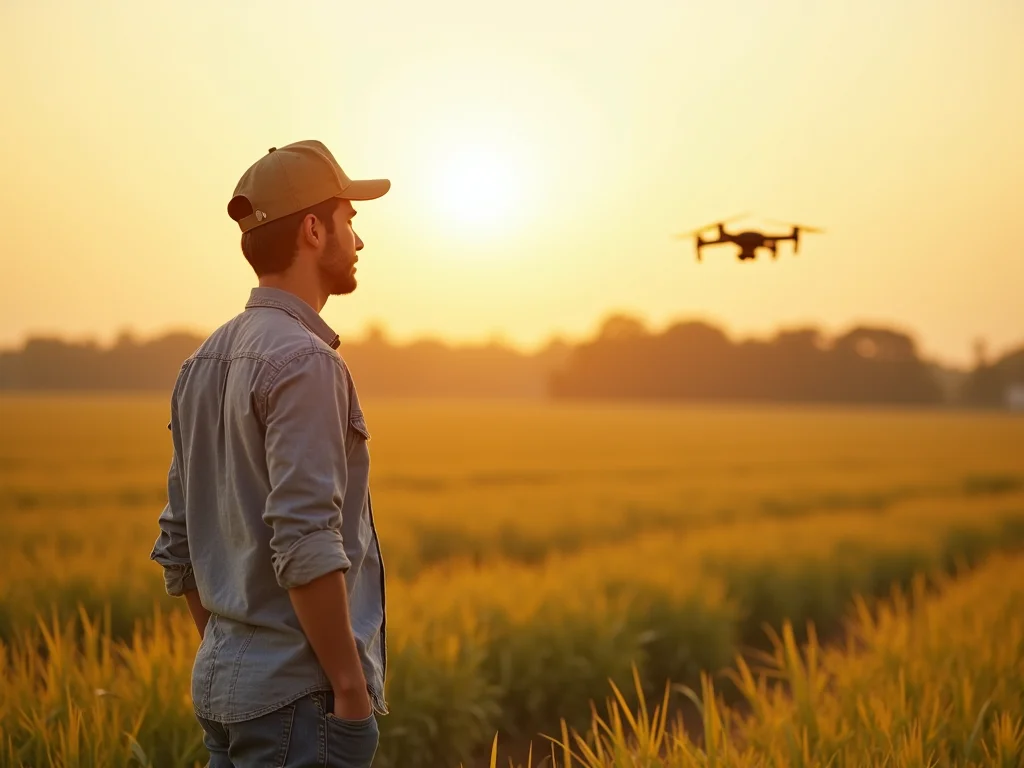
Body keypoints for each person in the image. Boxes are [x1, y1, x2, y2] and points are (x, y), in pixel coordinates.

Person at [150, 139, 391, 768]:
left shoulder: (200, 363)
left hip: (223, 693)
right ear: (314, 229)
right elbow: (306, 540)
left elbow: (180, 546)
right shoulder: (307, 363)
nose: (359, 241)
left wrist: (236, 653)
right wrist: (350, 688)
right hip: (299, 706)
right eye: (350, 221)